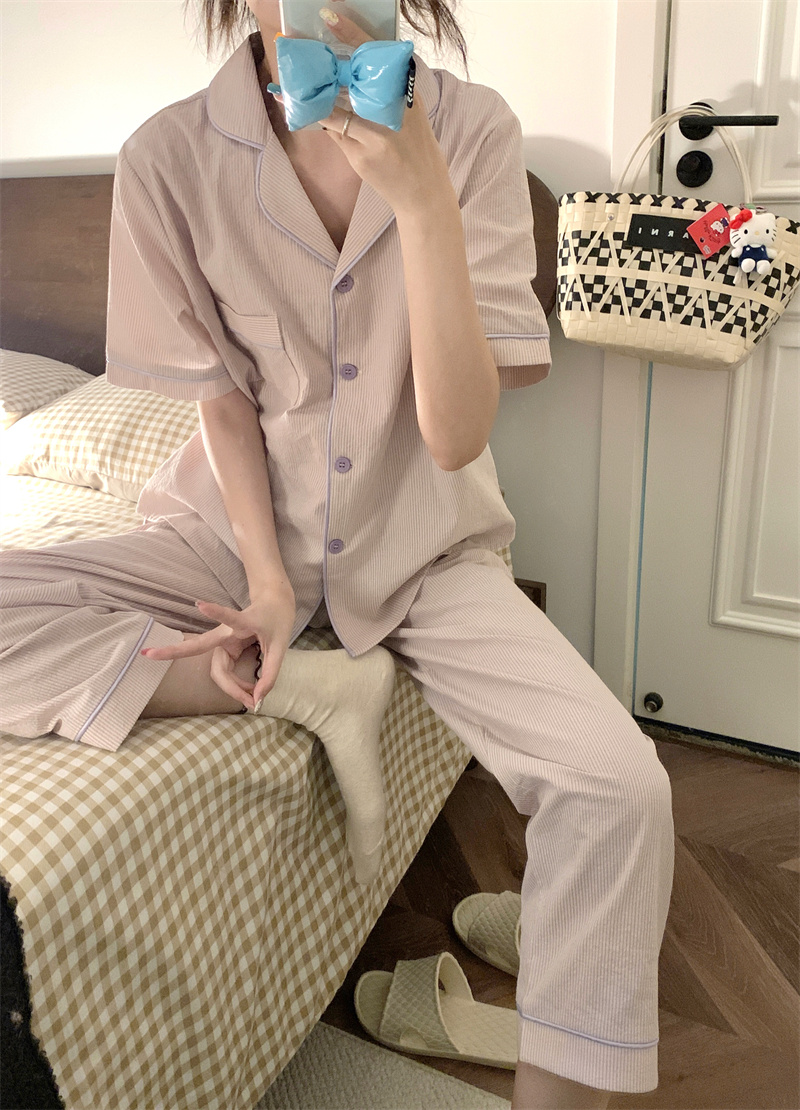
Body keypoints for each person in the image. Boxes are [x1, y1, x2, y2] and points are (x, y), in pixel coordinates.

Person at [0, 1, 676, 1106]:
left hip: (425, 549)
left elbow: (456, 435)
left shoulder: (473, 130)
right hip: (228, 537)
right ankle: (307, 686)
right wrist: (269, 586)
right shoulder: (168, 156)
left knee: (617, 788)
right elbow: (222, 402)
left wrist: (423, 202)